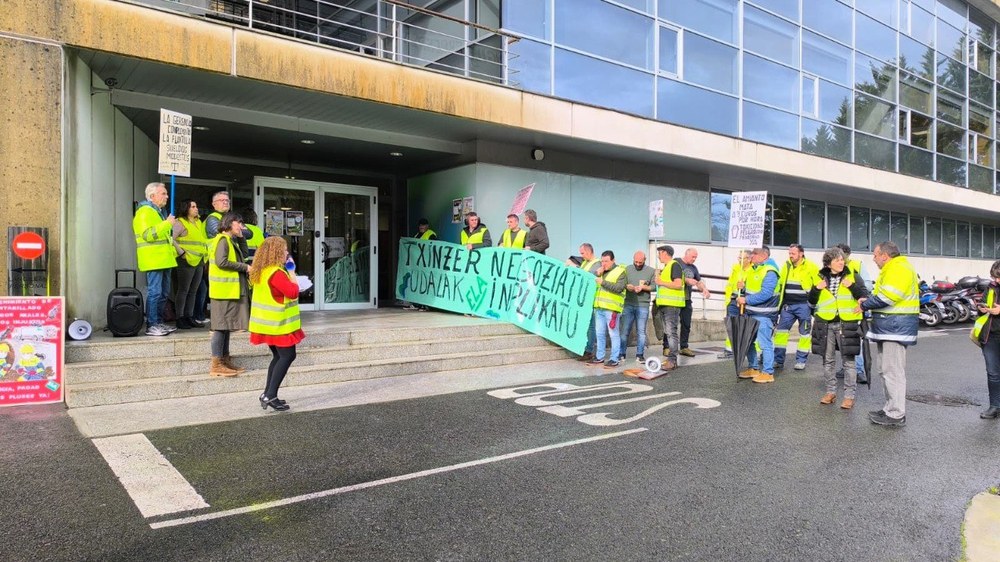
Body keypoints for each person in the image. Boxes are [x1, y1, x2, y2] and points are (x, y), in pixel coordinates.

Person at [859, 241, 919, 427]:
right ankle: (890, 408)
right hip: (890, 328)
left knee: (893, 372)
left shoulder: (898, 268)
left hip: (895, 328)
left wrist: (864, 304)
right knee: (886, 370)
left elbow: (888, 297)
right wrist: (868, 300)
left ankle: (896, 414)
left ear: (885, 255)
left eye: (875, 255)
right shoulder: (894, 268)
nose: (874, 258)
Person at [249, 236, 305, 412]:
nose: (287, 253)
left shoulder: (262, 271)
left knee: (279, 357)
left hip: (267, 325)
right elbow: (293, 291)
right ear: (277, 252)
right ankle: (270, 394)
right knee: (287, 356)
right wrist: (293, 272)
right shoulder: (276, 273)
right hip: (279, 325)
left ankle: (268, 393)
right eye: (285, 250)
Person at [809, 247, 869, 409]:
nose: (841, 262)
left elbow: (864, 296)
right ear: (829, 264)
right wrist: (816, 289)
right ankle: (830, 392)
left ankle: (849, 396)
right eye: (837, 260)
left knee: (849, 361)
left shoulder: (853, 276)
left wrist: (852, 287)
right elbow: (811, 301)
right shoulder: (819, 277)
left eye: (842, 259)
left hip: (846, 324)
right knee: (827, 360)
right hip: (825, 323)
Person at [132, 182, 178, 337]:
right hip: (154, 260)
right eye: (163, 193)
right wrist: (167, 224)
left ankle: (158, 323)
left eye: (166, 193)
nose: (166, 196)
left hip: (163, 259)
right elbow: (148, 235)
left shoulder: (158, 212)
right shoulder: (145, 212)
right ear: (152, 196)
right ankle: (152, 325)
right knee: (155, 293)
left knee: (163, 293)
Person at [207, 212, 250, 378]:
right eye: (239, 223)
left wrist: (241, 237)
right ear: (230, 223)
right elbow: (221, 262)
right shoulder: (222, 240)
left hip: (228, 291)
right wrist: (245, 268)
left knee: (225, 327)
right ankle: (217, 363)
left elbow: (244, 254)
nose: (241, 226)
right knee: (220, 327)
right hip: (223, 291)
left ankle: (224, 359)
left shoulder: (231, 241)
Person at [737, 246, 781, 383]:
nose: (751, 256)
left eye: (754, 254)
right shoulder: (755, 269)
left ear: (764, 255)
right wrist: (742, 288)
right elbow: (753, 288)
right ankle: (753, 368)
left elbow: (766, 294)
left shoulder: (770, 271)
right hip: (751, 312)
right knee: (749, 342)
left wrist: (746, 299)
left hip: (764, 314)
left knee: (764, 344)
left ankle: (768, 373)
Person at [775, 244, 818, 370]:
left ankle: (801, 360)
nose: (790, 256)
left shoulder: (811, 266)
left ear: (801, 254)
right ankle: (778, 360)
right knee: (781, 333)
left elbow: (818, 286)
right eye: (790, 253)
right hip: (788, 306)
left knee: (804, 334)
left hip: (804, 305)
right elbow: (780, 284)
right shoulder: (786, 266)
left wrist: (813, 304)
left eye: (793, 253)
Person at [587, 251, 627, 369]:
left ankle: (614, 359)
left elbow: (619, 288)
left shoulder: (620, 271)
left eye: (606, 261)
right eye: (602, 261)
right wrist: (597, 274)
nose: (604, 264)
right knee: (599, 333)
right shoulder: (601, 271)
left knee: (613, 334)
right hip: (599, 307)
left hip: (611, 309)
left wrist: (603, 282)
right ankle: (600, 357)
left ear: (613, 261)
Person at [172, 199, 208, 330]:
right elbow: (171, 238)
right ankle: (180, 318)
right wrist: (181, 253)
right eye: (193, 206)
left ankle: (189, 316)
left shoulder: (198, 222)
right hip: (185, 260)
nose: (196, 208)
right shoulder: (180, 223)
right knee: (183, 290)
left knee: (193, 291)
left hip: (198, 260)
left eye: (196, 206)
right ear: (186, 208)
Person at [972, 259, 1000, 420]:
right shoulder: (990, 287)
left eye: (999, 277)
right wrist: (982, 307)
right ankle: (995, 406)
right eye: (995, 277)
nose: (996, 280)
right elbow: (983, 304)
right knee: (993, 373)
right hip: (990, 336)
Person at [835, 242, 867, 383]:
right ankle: (846, 368)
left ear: (848, 255)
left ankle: (859, 371)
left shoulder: (857, 267)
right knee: (844, 343)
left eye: (841, 255)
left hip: (852, 312)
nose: (839, 258)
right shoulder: (833, 269)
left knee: (854, 343)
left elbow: (867, 286)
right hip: (838, 313)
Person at [619, 251, 655, 363]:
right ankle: (621, 353)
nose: (638, 264)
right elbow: (622, 283)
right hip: (628, 303)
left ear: (645, 260)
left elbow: (654, 287)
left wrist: (643, 287)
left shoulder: (651, 271)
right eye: (636, 262)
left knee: (641, 331)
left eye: (640, 262)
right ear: (633, 259)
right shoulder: (627, 269)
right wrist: (627, 286)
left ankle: (640, 355)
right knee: (624, 330)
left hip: (643, 304)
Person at [654, 245, 686, 371]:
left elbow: (678, 284)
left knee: (671, 333)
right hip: (665, 305)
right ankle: (671, 359)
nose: (658, 255)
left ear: (665, 253)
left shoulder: (674, 265)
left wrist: (661, 282)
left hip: (671, 306)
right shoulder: (667, 267)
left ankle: (672, 360)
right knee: (669, 333)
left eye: (659, 253)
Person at [718, 251, 753, 359]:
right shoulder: (736, 268)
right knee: (731, 325)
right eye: (739, 257)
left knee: (747, 326)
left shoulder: (753, 270)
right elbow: (730, 284)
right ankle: (729, 350)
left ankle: (749, 351)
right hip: (733, 300)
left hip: (746, 301)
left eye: (742, 258)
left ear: (749, 259)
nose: (739, 260)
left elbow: (756, 286)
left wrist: (744, 286)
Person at [570, 243, 602, 361]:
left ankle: (589, 351)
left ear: (589, 252)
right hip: (585, 299)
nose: (581, 256)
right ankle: (585, 348)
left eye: (582, 253)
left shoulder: (597, 263)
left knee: (591, 326)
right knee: (587, 325)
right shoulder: (585, 263)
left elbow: (589, 276)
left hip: (592, 299)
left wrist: (575, 268)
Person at [678, 248, 711, 357]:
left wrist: (704, 289)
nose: (694, 259)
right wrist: (686, 280)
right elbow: (670, 277)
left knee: (686, 324)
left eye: (696, 257)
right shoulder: (676, 262)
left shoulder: (693, 268)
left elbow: (698, 282)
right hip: (674, 299)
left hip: (687, 300)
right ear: (686, 254)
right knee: (671, 325)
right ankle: (667, 347)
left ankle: (684, 347)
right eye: (693, 257)